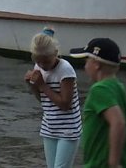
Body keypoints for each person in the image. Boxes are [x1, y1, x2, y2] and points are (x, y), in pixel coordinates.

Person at [69, 38, 126, 168]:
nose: (85, 66)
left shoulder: (99, 89)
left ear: (96, 64)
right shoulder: (118, 87)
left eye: (87, 60)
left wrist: (113, 163)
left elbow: (118, 122)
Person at [24, 29, 82, 168]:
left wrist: (42, 85)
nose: (43, 65)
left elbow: (65, 104)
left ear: (56, 53)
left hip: (68, 129)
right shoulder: (39, 66)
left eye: (46, 61)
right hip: (49, 126)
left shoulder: (65, 70)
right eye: (38, 61)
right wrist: (31, 85)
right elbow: (43, 100)